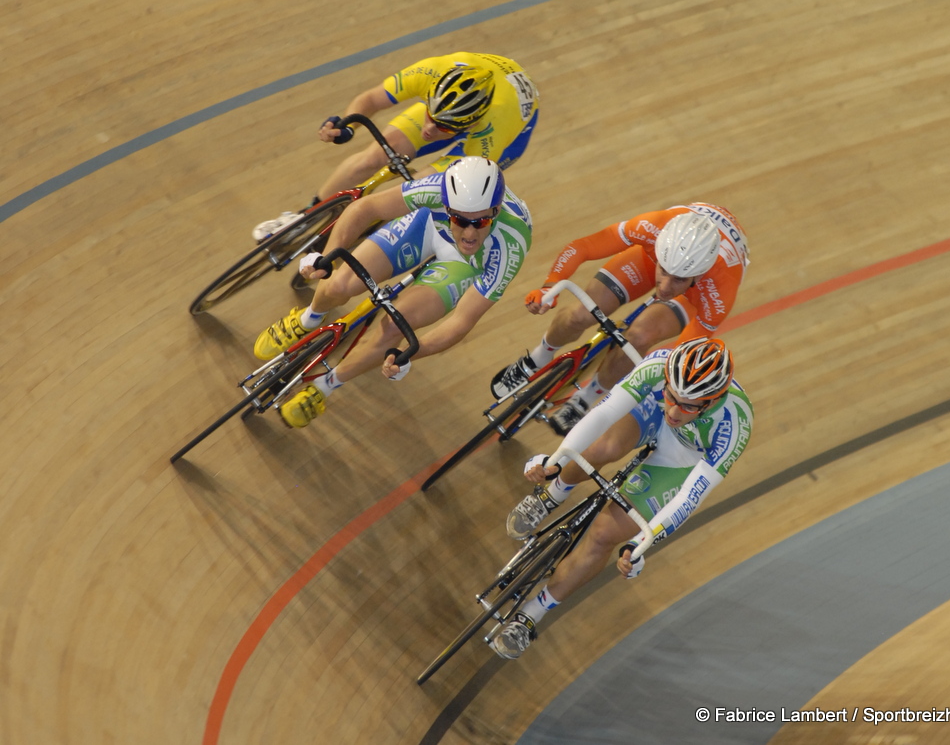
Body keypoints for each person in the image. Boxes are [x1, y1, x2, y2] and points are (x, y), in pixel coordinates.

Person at [490, 337, 753, 660]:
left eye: (687, 405)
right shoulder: (658, 366)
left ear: (711, 402)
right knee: (603, 448)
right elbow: (602, 415)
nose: (674, 408)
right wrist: (556, 459)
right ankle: (551, 495)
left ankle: (531, 614)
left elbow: (690, 495)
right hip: (648, 415)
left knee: (603, 536)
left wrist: (642, 543)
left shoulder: (734, 423)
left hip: (681, 457)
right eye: (671, 394)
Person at [251, 156, 533, 428]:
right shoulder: (436, 189)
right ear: (447, 207)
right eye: (459, 219)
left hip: (465, 264)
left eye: (481, 222)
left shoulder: (511, 244)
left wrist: (410, 354)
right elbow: (365, 209)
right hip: (428, 228)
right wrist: (325, 258)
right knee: (339, 284)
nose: (470, 233)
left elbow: (461, 323)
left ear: (495, 211)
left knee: (394, 330)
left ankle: (326, 386)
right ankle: (308, 320)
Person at [490, 204, 750, 435]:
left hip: (698, 293)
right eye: (665, 271)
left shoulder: (720, 288)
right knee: (579, 315)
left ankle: (586, 397)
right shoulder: (653, 227)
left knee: (639, 338)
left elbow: (682, 356)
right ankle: (537, 358)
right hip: (650, 260)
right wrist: (550, 286)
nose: (666, 286)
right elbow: (584, 247)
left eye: (679, 279)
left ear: (699, 273)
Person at [253, 52, 540, 241]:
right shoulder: (433, 72)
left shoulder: (494, 129)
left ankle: (364, 236)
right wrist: (346, 127)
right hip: (462, 102)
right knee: (373, 156)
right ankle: (303, 218)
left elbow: (454, 185)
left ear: (468, 124)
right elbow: (372, 100)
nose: (429, 129)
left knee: (413, 189)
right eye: (430, 116)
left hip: (509, 131)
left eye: (442, 128)